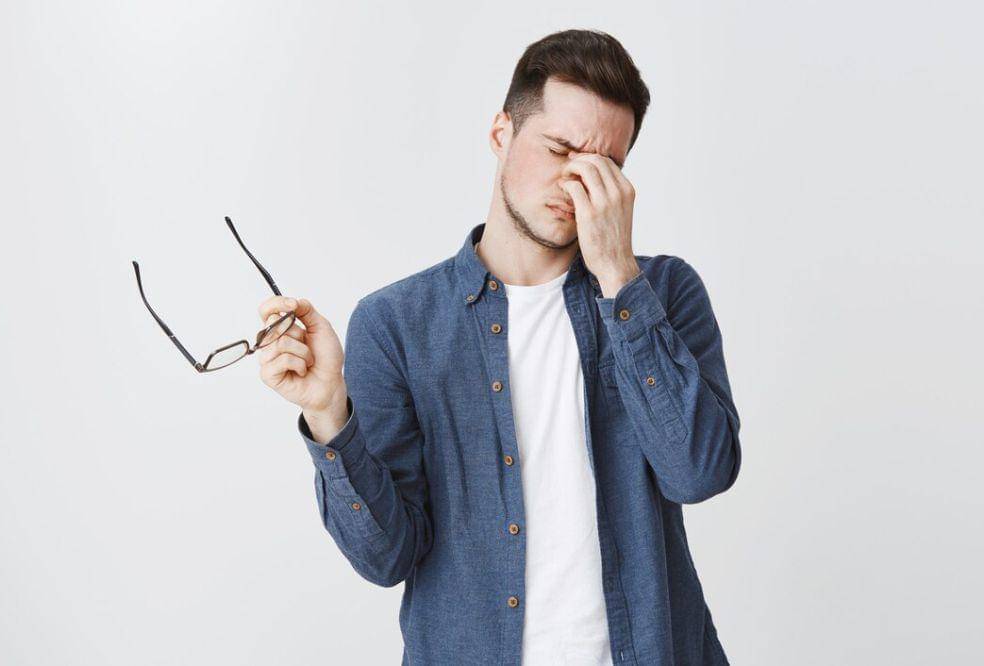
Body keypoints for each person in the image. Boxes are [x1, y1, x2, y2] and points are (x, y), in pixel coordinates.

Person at [256, 28, 741, 666]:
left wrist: (620, 279)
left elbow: (699, 473)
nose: (578, 183)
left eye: (605, 168)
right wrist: (327, 414)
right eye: (560, 149)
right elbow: (386, 558)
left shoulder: (663, 294)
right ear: (501, 133)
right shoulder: (396, 324)